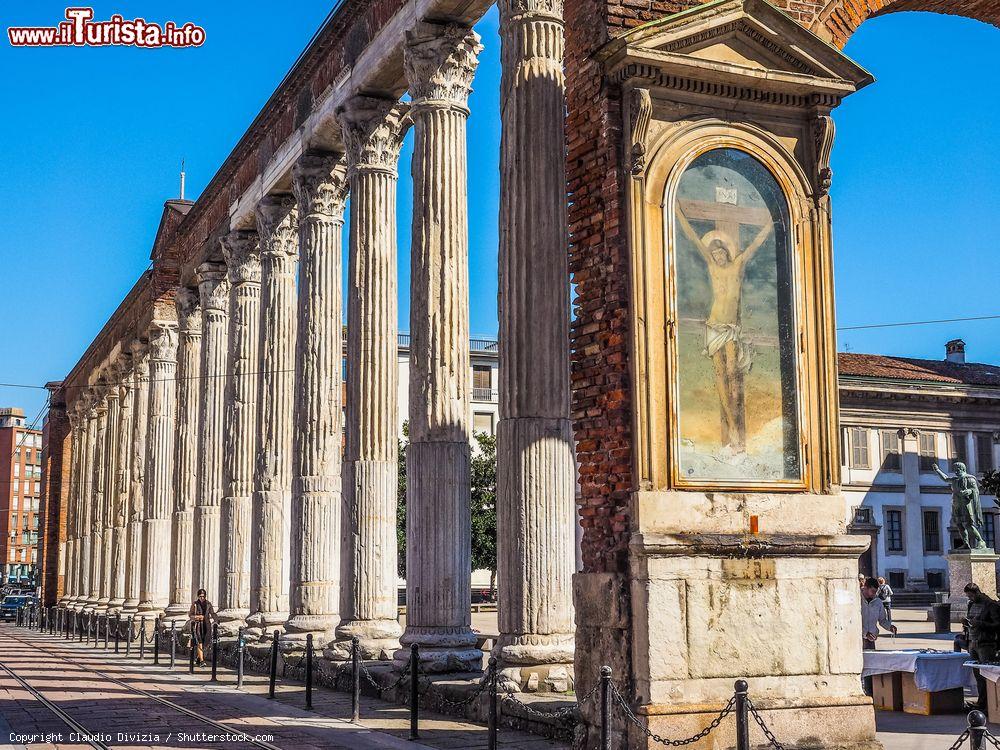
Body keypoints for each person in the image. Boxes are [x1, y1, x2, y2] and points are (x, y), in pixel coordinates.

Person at [963, 583, 1000, 710]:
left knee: (986, 675)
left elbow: (997, 624)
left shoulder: (991, 605)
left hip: (986, 644)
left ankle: (988, 704)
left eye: (971, 596)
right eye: (968, 596)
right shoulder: (971, 604)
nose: (970, 598)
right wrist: (966, 623)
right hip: (973, 642)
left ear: (977, 592)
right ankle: (981, 702)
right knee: (978, 676)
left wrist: (979, 623)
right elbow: (970, 620)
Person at [861, 577, 897, 695]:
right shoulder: (857, 599)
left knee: (871, 666)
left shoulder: (877, 602)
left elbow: (882, 620)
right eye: (871, 591)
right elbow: (851, 620)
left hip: (871, 639)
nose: (873, 595)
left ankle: (870, 690)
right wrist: (864, 633)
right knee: (859, 665)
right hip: (858, 638)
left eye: (875, 592)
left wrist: (889, 627)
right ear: (865, 588)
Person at [188, 589, 218, 667]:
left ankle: (198, 658)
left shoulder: (208, 604)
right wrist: (197, 617)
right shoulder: (195, 604)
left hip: (207, 625)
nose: (202, 598)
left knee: (206, 643)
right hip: (198, 625)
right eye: (200, 596)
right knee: (199, 642)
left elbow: (212, 613)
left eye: (203, 596)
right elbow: (190, 615)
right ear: (198, 596)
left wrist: (216, 620)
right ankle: (202, 661)